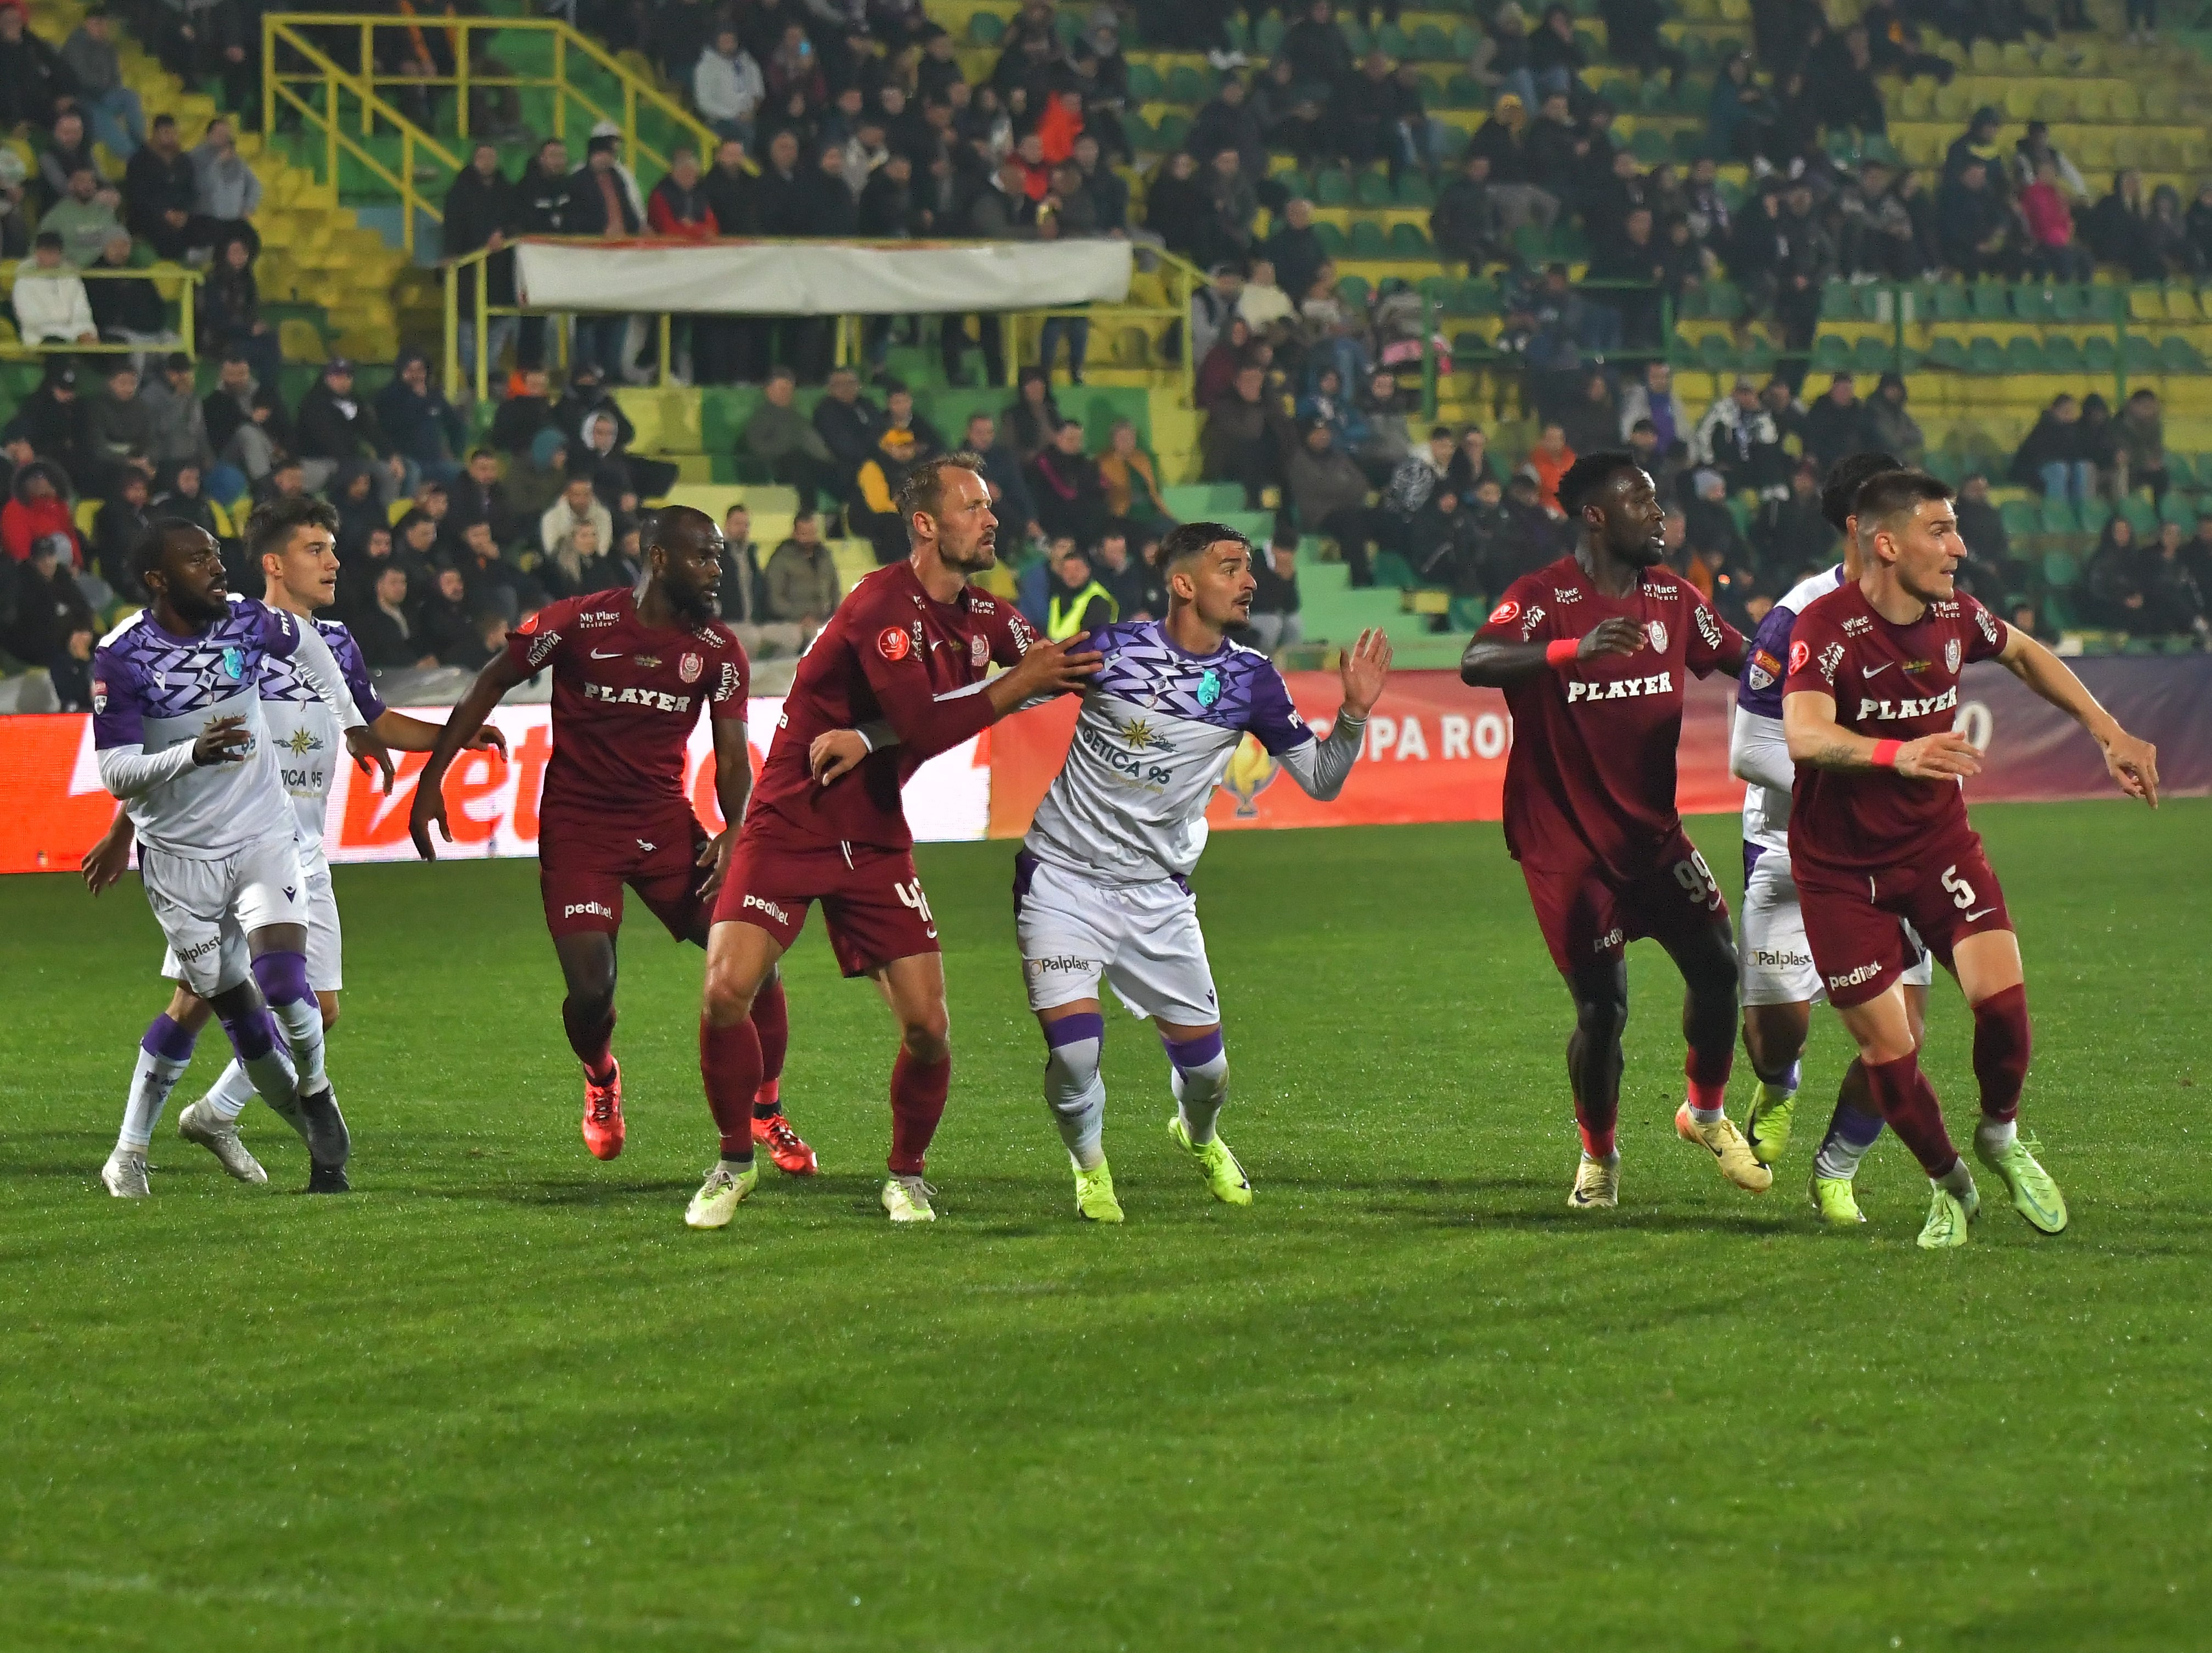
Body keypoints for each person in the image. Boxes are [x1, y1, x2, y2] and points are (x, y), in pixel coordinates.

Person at [692, 455, 1104, 1228]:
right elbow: (924, 724)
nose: (991, 518)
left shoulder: (983, 616)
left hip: (874, 835)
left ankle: (906, 1174)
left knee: (928, 1028)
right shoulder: (883, 604)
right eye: (973, 506)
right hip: (789, 820)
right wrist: (1017, 684)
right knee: (723, 992)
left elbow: (1057, 660)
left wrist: (1176, 658)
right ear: (925, 524)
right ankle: (732, 1161)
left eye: (990, 505)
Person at [1780, 469, 2160, 1247]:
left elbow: (2023, 653)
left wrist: (2106, 729)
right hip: (1838, 870)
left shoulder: (1954, 613)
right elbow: (1804, 735)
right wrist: (1899, 752)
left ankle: (1999, 1133)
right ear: (1886, 543)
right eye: (1940, 531)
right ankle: (1948, 1182)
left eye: (1954, 529)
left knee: (2004, 1005)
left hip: (1934, 846)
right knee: (1890, 1048)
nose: (1958, 547)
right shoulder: (1822, 626)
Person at [80, 497, 505, 1186]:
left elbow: (369, 719)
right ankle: (138, 1145)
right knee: (199, 1000)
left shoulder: (330, 642)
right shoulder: (225, 635)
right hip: (205, 846)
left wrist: (455, 737)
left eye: (332, 548)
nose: (333, 561)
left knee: (315, 1003)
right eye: (317, 549)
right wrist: (118, 827)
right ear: (276, 562)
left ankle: (223, 1115)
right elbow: (168, 756)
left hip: (289, 840)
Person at [973, 523, 1388, 1220]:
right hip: (1062, 881)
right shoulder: (1109, 649)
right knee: (1074, 1056)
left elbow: (1320, 780)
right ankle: (1090, 1167)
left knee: (1209, 1073)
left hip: (1156, 897)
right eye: (1230, 567)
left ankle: (1198, 1136)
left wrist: (1352, 713)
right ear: (1183, 582)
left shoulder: (1250, 679)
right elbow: (1005, 695)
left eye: (1249, 569)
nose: (1248, 580)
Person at [407, 507, 818, 1178]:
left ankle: (765, 1109)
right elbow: (491, 680)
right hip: (579, 830)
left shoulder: (717, 650)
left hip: (663, 827)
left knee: (755, 962)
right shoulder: (578, 622)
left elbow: (734, 757)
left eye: (719, 557)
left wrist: (738, 824)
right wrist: (433, 780)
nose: (717, 571)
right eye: (704, 557)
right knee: (593, 991)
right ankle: (601, 1077)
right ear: (659, 559)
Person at [1459, 451, 1761, 1211]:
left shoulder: (1672, 597)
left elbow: (1741, 656)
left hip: (1653, 838)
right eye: (1642, 502)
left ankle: (1704, 1110)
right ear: (1595, 515)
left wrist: (1817, 668)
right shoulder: (1545, 596)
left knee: (1720, 968)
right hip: (1566, 848)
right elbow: (1477, 659)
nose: (1660, 516)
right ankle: (1597, 1156)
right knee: (1602, 1010)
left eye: (1659, 503)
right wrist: (1570, 650)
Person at [85, 518, 393, 1198]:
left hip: (262, 833)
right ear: (158, 580)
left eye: (217, 555)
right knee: (236, 1015)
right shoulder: (123, 656)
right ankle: (138, 1149)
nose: (216, 569)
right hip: (179, 859)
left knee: (285, 980)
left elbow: (311, 647)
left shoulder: (247, 621)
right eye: (197, 560)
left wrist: (352, 724)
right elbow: (116, 770)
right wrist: (192, 753)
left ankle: (315, 1093)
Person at [1726, 455, 1936, 1223]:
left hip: (1894, 851)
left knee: (1902, 1037)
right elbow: (1748, 751)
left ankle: (1835, 1168)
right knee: (1774, 1037)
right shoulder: (1797, 615)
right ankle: (1778, 1083)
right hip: (1793, 849)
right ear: (1865, 527)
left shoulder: (1926, 608)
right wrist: (1870, 769)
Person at [764, 508, 841, 635]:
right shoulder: (781, 559)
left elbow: (835, 590)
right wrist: (801, 617)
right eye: (804, 534)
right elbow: (775, 600)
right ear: (794, 533)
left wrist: (834, 616)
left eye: (813, 533)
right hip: (792, 623)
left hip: (824, 620)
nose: (810, 539)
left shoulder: (825, 556)